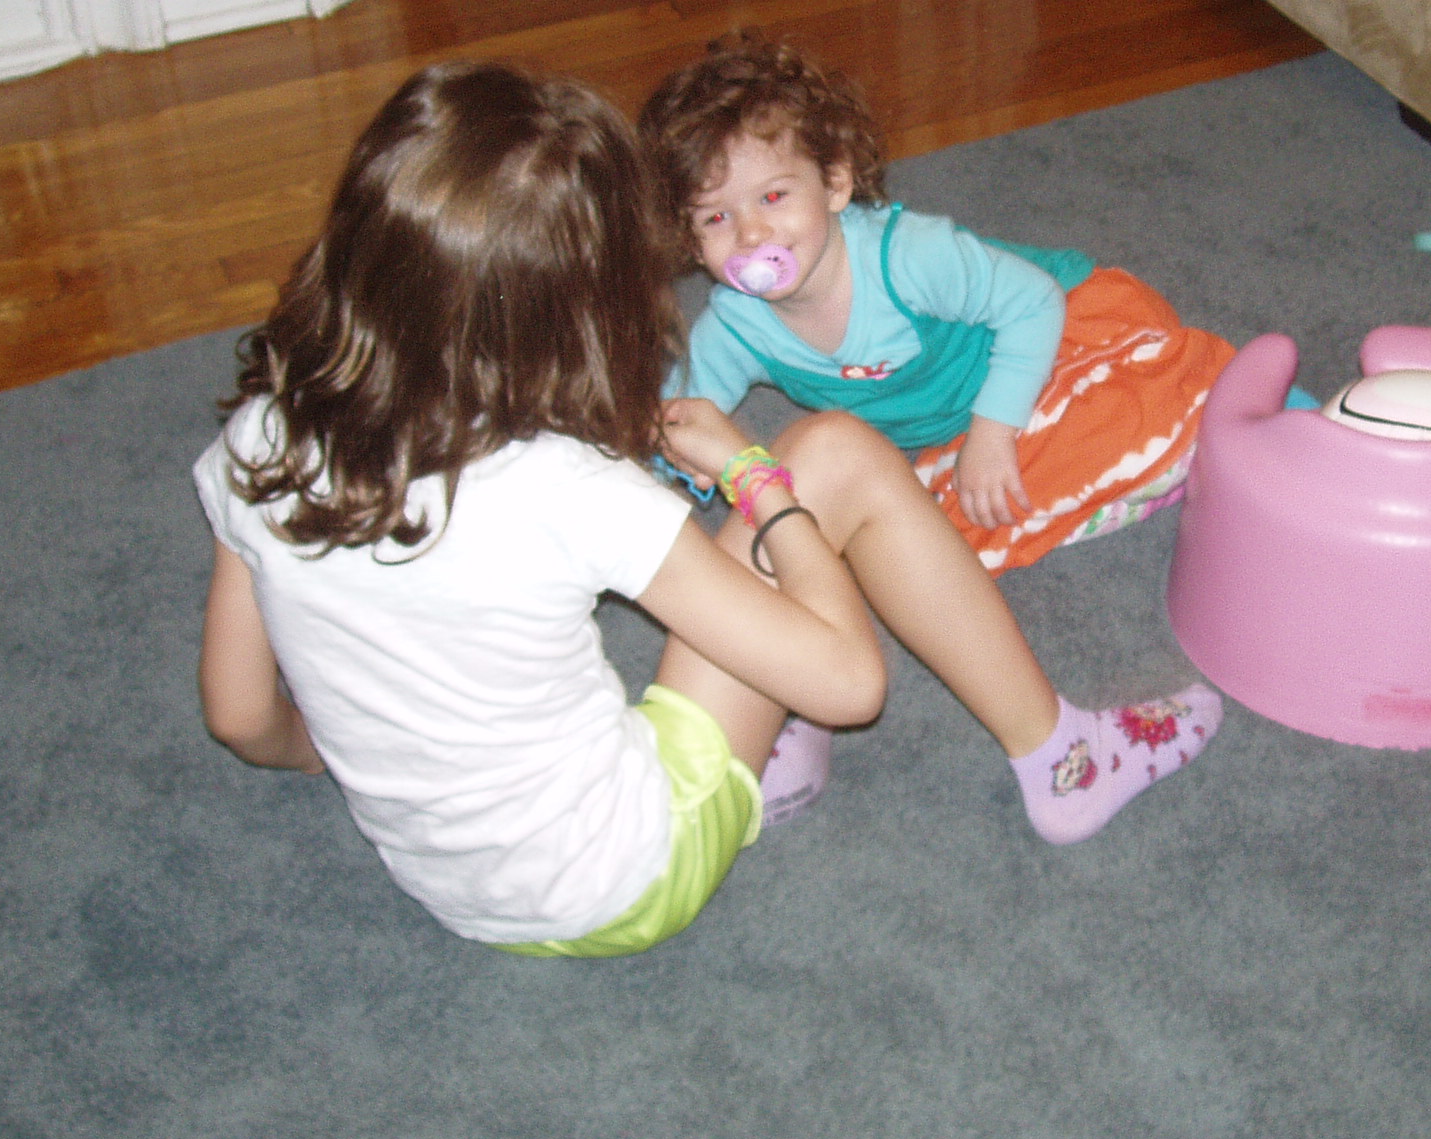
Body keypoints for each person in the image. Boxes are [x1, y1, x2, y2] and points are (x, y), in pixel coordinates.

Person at [192, 62, 1221, 959]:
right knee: (835, 451)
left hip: (450, 890)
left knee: (756, 536)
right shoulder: (569, 492)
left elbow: (240, 716)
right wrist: (754, 479)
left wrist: (356, 748)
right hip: (632, 872)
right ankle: (1064, 759)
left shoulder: (260, 437)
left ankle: (765, 745)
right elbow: (851, 680)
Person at [641, 33, 1237, 576]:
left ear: (835, 184)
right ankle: (1134, 469)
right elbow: (680, 415)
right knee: (936, 538)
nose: (750, 234)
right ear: (690, 239)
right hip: (958, 418)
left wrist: (993, 433)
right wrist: (676, 462)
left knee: (1117, 414)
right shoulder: (733, 328)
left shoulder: (909, 257)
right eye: (716, 218)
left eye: (773, 197)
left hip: (1066, 327)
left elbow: (1034, 303)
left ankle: (1179, 413)